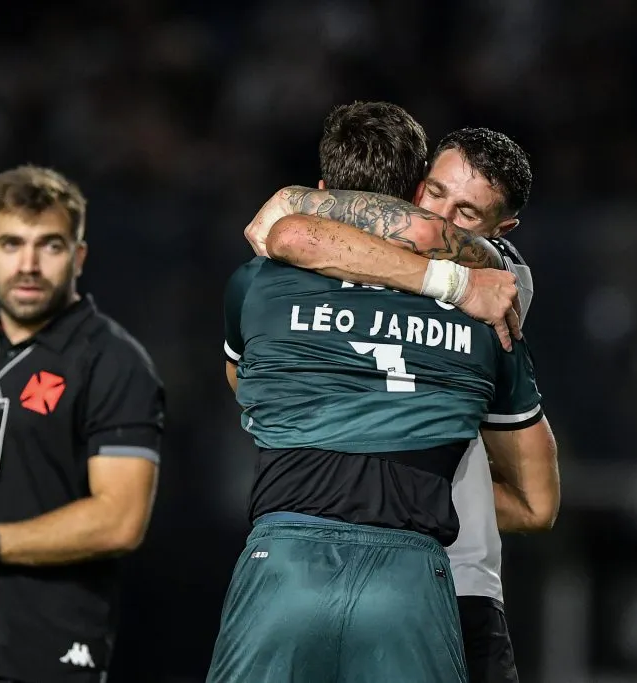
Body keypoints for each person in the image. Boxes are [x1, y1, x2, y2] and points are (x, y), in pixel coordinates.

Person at [208, 102, 557, 683]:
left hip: (446, 580)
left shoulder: (499, 292)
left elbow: (295, 240)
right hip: (413, 574)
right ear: (414, 185)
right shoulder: (471, 305)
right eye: (435, 193)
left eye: (466, 211)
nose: (442, 217)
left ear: (502, 231)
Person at [0, 165, 164, 683]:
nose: (29, 264)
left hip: (46, 655)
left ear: (78, 256)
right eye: (12, 244)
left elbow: (121, 518)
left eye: (51, 245)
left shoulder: (112, 361)